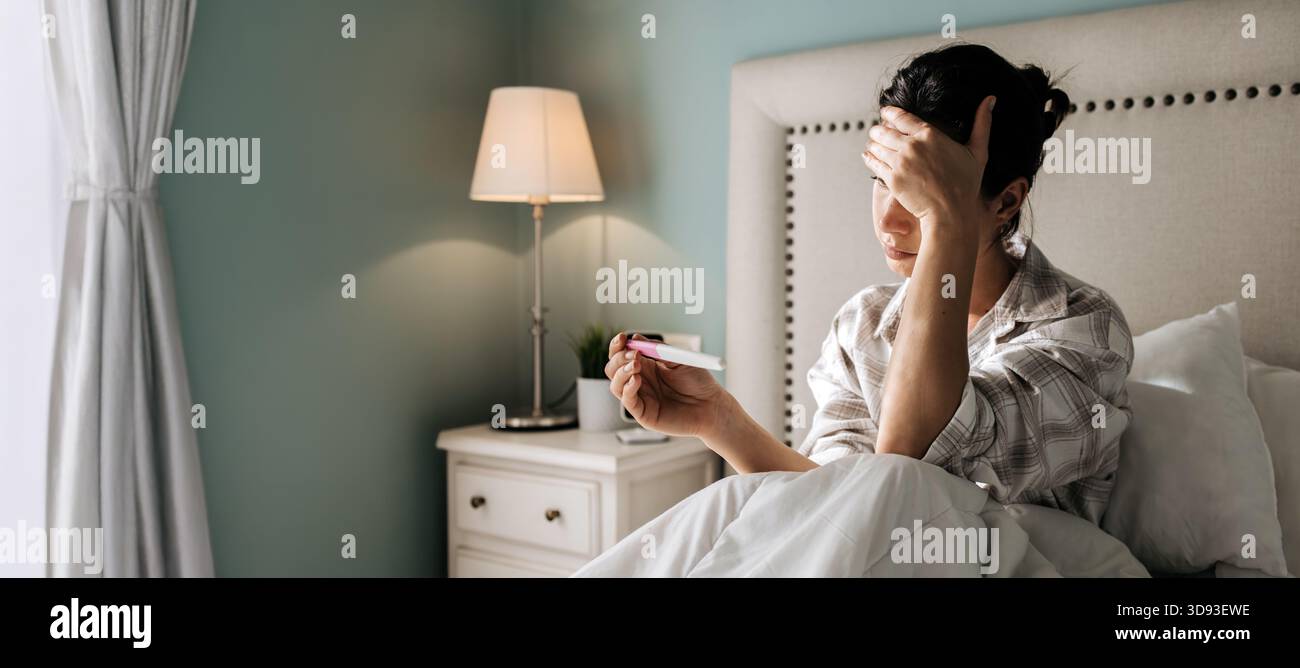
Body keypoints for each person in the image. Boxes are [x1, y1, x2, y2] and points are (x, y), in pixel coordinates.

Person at [605, 44, 1133, 524]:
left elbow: (908, 464)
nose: (888, 221)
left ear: (1007, 201)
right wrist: (717, 419)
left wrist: (946, 222)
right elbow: (837, 505)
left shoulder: (1083, 326)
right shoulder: (864, 325)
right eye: (881, 180)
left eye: (918, 192)